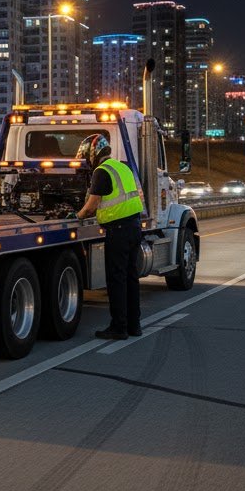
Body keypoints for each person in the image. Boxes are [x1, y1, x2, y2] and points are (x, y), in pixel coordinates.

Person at [75, 134, 145, 339]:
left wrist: (77, 215)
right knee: (131, 279)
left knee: (116, 280)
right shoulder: (122, 167)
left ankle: (119, 328)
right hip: (134, 227)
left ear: (93, 153)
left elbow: (92, 204)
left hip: (119, 231)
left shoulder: (101, 171)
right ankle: (134, 325)